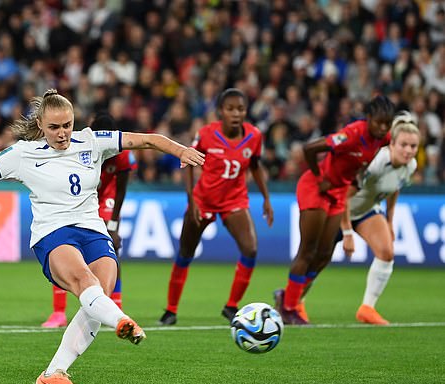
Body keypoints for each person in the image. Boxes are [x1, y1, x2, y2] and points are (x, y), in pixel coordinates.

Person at [0, 89, 204, 384]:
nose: (63, 133)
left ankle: (54, 373)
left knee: (99, 295)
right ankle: (121, 320)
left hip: (94, 230)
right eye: (54, 127)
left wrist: (180, 150)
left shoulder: (91, 141)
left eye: (67, 124)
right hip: (54, 233)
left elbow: (147, 139)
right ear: (40, 124)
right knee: (86, 283)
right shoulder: (23, 153)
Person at [274, 95, 396, 325]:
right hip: (317, 187)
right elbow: (309, 148)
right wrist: (320, 176)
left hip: (339, 192)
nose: (382, 128)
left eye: (387, 124)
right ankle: (289, 308)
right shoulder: (351, 134)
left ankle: (286, 296)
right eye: (379, 122)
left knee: (324, 254)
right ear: (368, 118)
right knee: (308, 250)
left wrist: (357, 178)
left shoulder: (384, 138)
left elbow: (364, 159)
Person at [158, 88, 274, 326]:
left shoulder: (254, 136)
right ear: (220, 111)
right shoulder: (206, 135)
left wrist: (266, 198)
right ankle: (171, 310)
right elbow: (189, 162)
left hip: (235, 201)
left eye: (240, 109)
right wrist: (191, 201)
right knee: (185, 253)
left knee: (250, 249)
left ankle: (231, 306)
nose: (236, 113)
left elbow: (255, 165)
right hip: (203, 201)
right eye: (230, 109)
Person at [41, 112, 137, 328]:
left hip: (105, 199)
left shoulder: (122, 154)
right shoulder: (79, 145)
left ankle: (115, 304)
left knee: (111, 247)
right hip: (80, 197)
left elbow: (121, 190)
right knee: (63, 247)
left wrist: (113, 225)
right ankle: (59, 313)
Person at [334, 112, 419, 324]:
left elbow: (394, 188)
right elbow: (345, 195)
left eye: (413, 146)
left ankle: (367, 308)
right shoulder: (376, 162)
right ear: (392, 144)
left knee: (386, 251)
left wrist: (389, 221)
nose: (409, 151)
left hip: (364, 211)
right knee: (317, 258)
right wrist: (346, 232)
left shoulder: (411, 166)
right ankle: (294, 303)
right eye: (404, 145)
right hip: (337, 209)